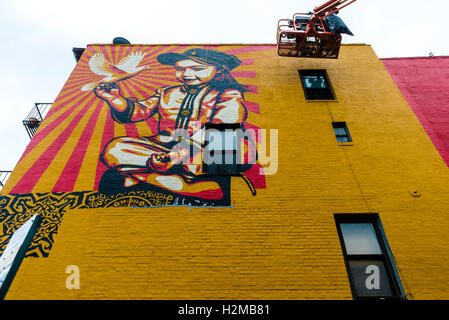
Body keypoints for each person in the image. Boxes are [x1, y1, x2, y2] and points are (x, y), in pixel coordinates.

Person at [93, 48, 256, 202]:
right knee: (115, 149)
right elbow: (139, 111)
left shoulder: (229, 93)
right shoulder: (166, 92)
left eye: (197, 69)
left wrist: (179, 155)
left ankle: (140, 177)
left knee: (225, 151)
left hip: (206, 149)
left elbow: (223, 125)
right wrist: (115, 99)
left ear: (219, 70)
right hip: (164, 150)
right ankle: (191, 186)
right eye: (180, 69)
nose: (187, 74)